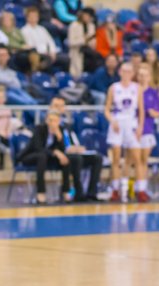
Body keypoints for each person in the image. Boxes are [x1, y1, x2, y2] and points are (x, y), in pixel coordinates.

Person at [49, 96, 103, 202]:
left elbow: (72, 140)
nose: (59, 109)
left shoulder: (68, 125)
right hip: (57, 156)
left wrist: (78, 148)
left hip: (73, 153)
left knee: (97, 158)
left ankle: (92, 193)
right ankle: (79, 193)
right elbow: (48, 146)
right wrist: (66, 149)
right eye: (56, 106)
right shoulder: (48, 124)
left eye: (61, 106)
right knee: (77, 159)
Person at [105, 62, 144, 203]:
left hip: (132, 124)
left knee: (136, 159)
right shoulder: (114, 88)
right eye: (124, 70)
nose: (126, 73)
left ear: (133, 73)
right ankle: (115, 189)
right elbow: (106, 109)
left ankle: (140, 190)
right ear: (120, 72)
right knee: (116, 159)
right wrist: (112, 121)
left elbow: (141, 110)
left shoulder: (137, 88)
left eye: (129, 71)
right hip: (117, 123)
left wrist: (140, 127)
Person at [17, 110, 72, 204]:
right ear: (46, 120)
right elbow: (38, 148)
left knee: (65, 159)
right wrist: (55, 152)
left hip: (47, 158)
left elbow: (63, 150)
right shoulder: (39, 129)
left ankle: (65, 191)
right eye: (50, 120)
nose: (52, 123)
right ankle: (41, 192)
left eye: (55, 120)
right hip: (30, 156)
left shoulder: (61, 130)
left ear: (58, 121)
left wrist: (59, 138)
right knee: (42, 157)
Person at [134, 63, 157, 202]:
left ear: (149, 77)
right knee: (135, 161)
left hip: (147, 129)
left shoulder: (153, 93)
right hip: (132, 130)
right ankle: (136, 188)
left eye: (145, 75)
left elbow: (156, 112)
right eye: (140, 75)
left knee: (143, 160)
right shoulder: (133, 90)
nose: (142, 78)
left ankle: (142, 188)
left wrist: (153, 113)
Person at [67, 7, 96, 77]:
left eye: (89, 16)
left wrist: (92, 43)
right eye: (85, 15)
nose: (87, 18)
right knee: (77, 66)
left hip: (89, 51)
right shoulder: (74, 25)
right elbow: (71, 42)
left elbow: (93, 39)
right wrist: (84, 40)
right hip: (77, 50)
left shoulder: (91, 26)